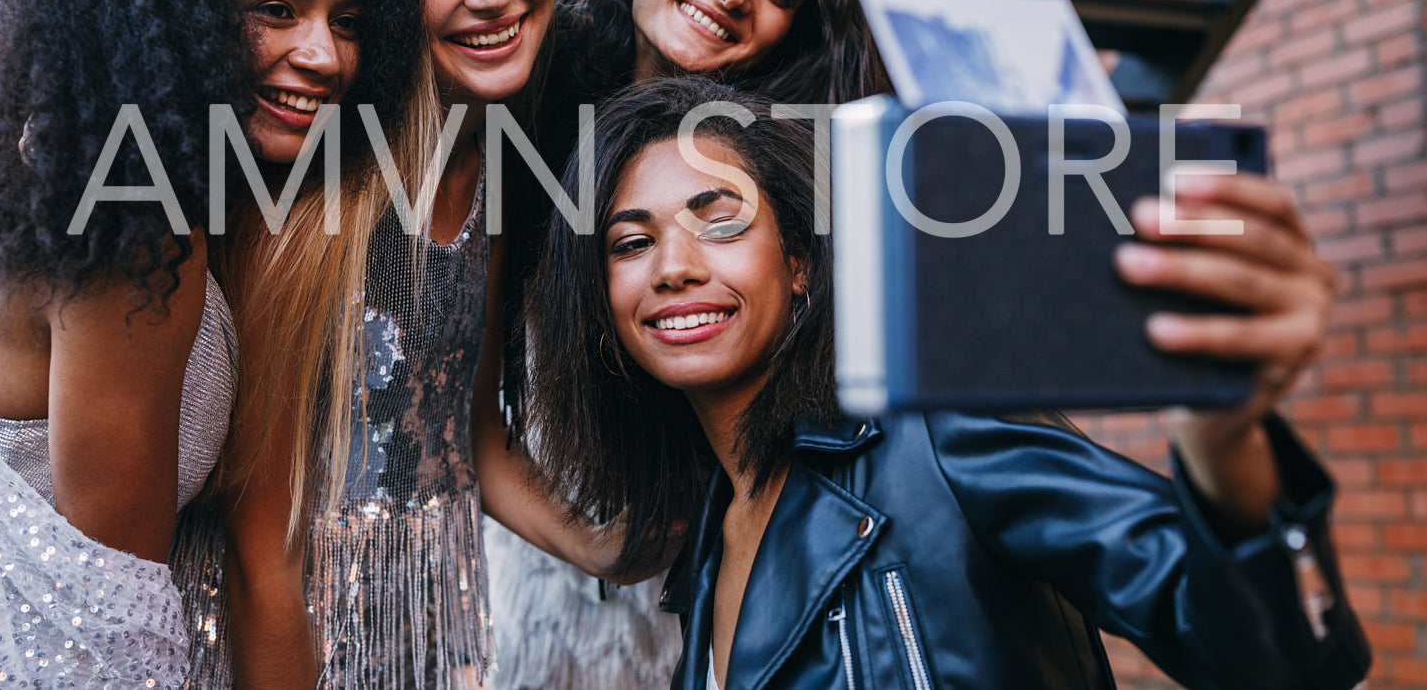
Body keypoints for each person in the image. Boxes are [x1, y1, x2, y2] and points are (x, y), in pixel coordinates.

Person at [524, 74, 1370, 690]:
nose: (673, 267)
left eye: (722, 221)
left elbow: (1278, 659)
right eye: (629, 243)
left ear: (801, 266)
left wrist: (1221, 433)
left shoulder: (938, 431)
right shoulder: (704, 528)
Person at [0, 0, 425, 687]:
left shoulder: (139, 183)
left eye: (346, 20)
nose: (325, 55)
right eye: (275, 9)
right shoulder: (138, 220)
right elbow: (109, 622)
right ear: (169, 7)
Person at [219, 0, 635, 690]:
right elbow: (262, 548)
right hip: (284, 634)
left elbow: (465, 432)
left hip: (435, 620)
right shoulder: (309, 190)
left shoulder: (489, 160)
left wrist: (596, 543)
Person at [488, 0, 893, 690]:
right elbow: (454, 392)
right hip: (528, 545)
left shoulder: (786, 171)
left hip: (715, 553)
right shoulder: (517, 88)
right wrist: (587, 541)